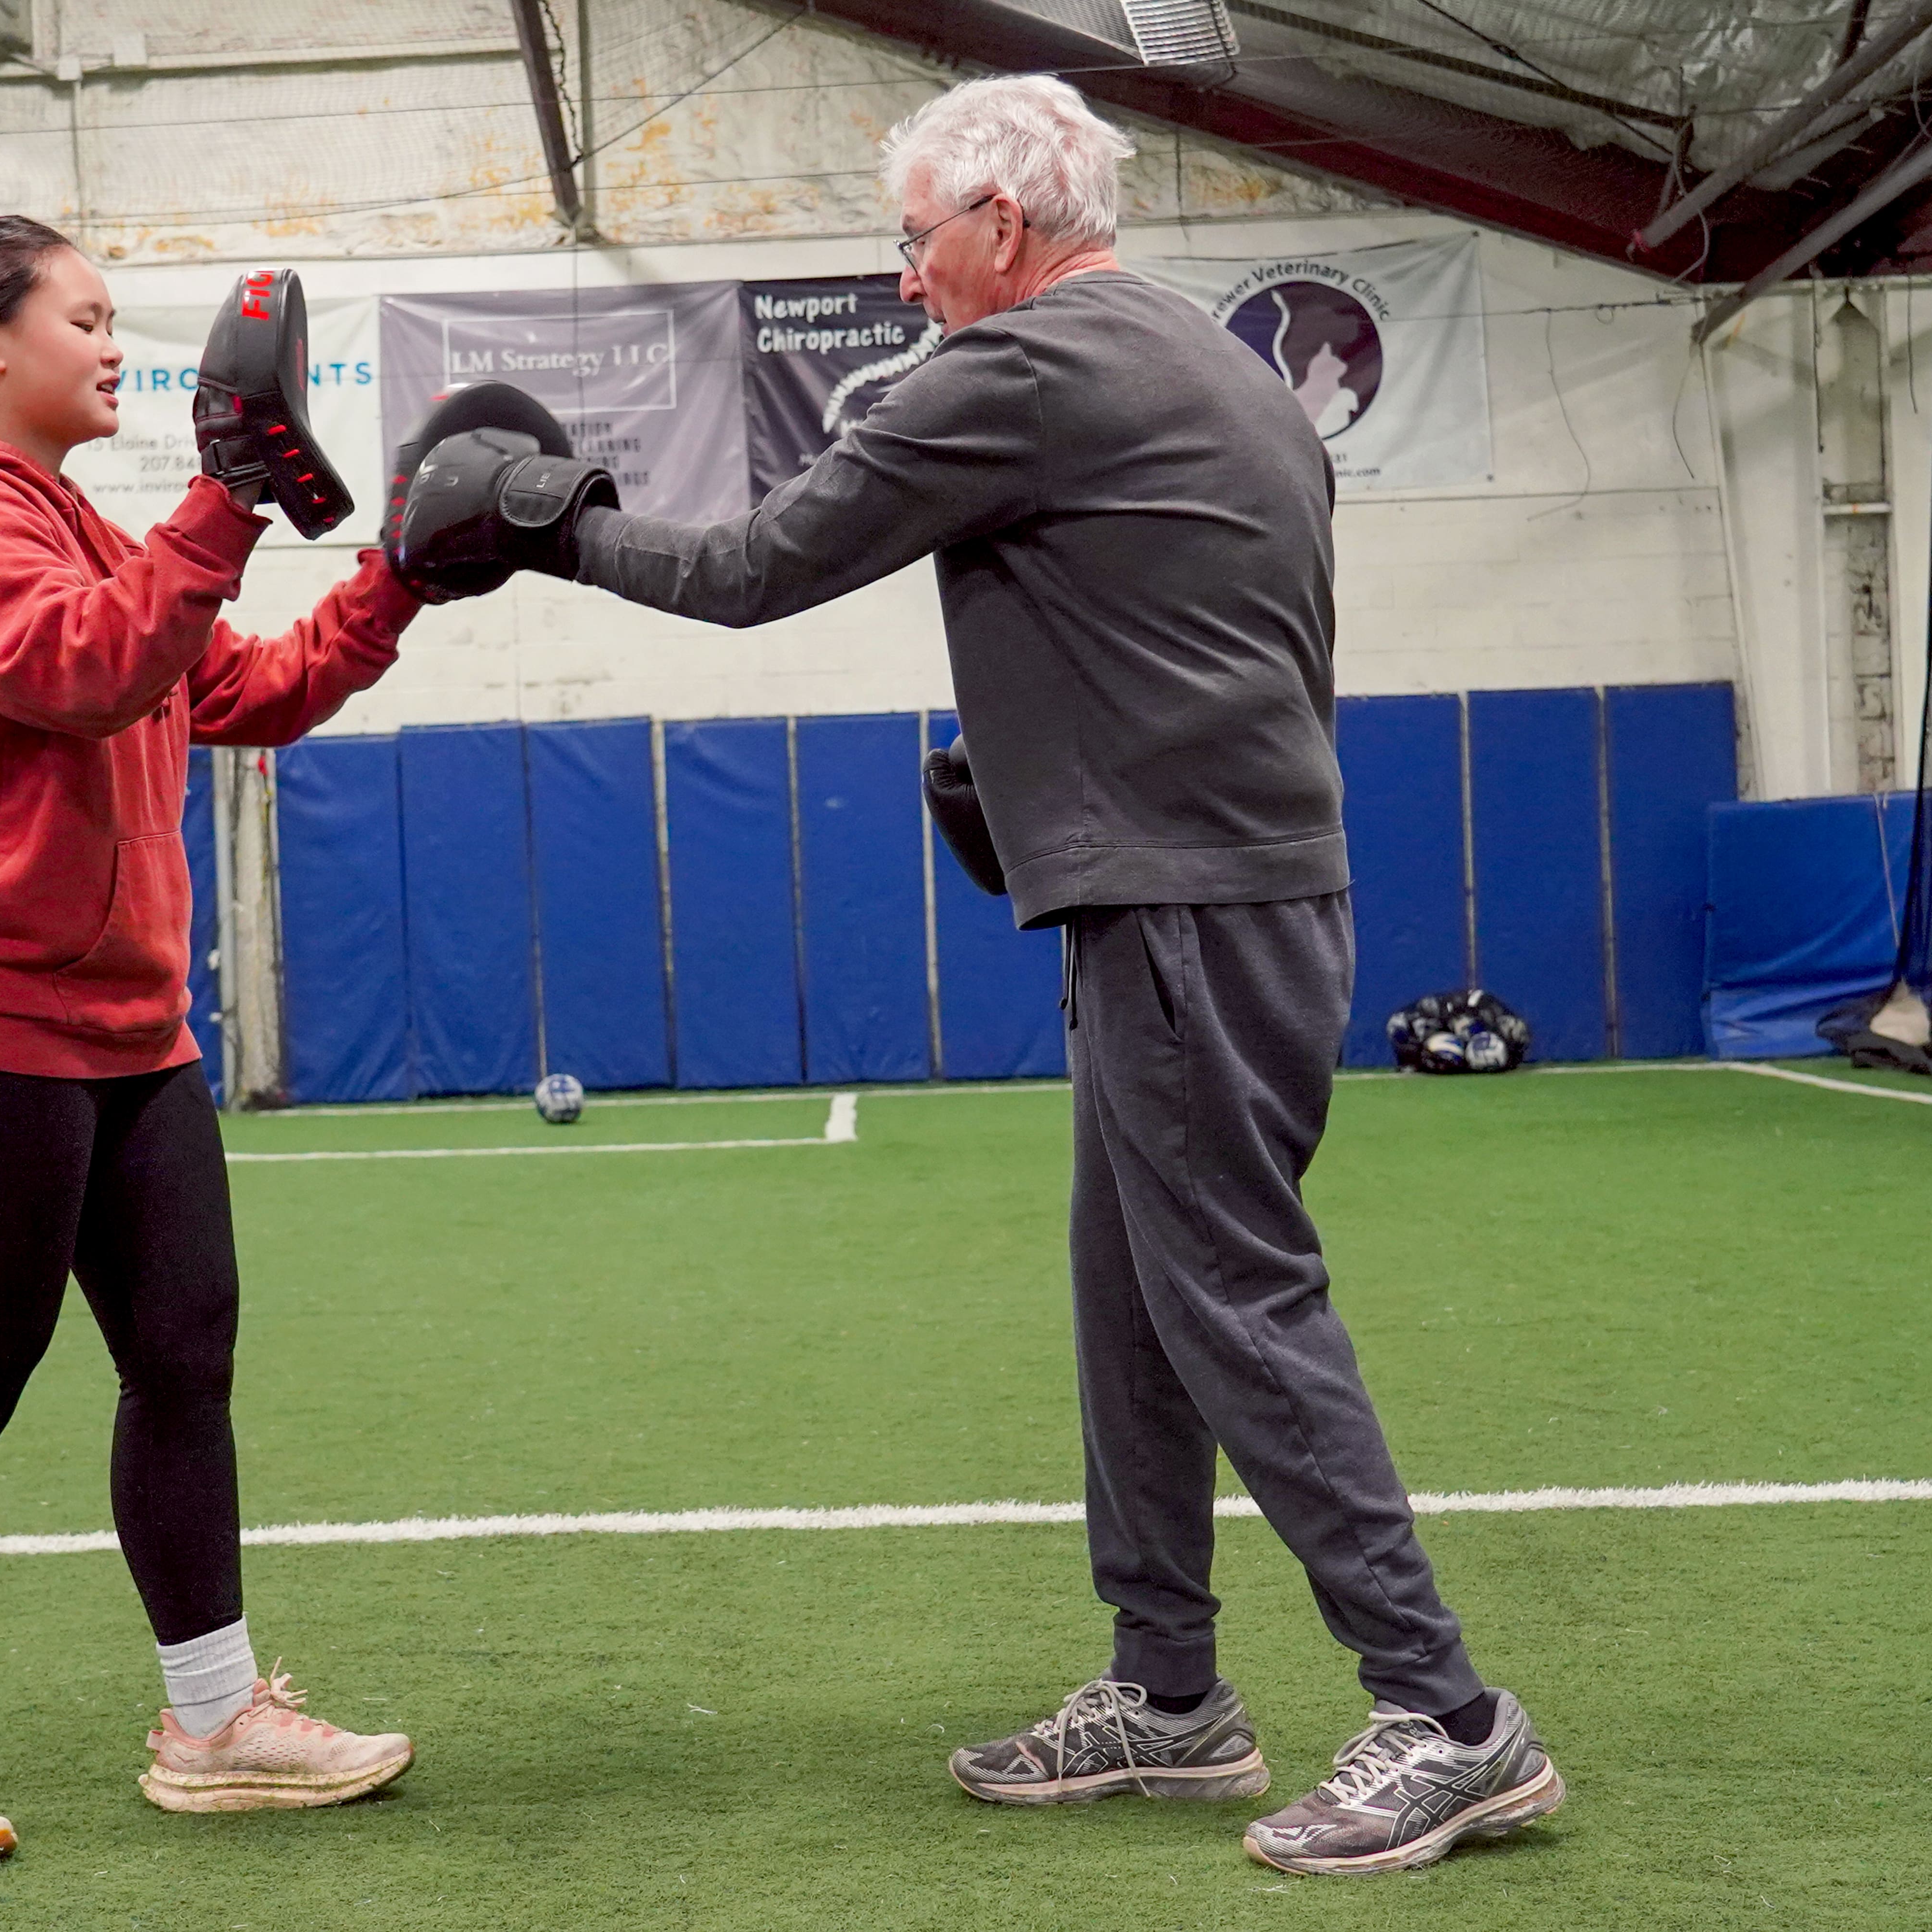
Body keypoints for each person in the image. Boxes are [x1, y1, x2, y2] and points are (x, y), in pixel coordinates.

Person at [390, 76, 1563, 1878]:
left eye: (918, 243)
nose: (909, 277)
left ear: (1000, 228)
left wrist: (543, 511)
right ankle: (1172, 1698)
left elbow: (755, 566)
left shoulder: (1025, 370)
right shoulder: (1219, 364)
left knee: (1236, 1301)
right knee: (1139, 1305)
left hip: (1186, 906)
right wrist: (1037, 777)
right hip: (1226, 887)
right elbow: (1249, 623)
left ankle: (1452, 1720)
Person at [0, 215, 420, 1873]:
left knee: (185, 1352)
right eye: (89, 315)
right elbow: (73, 670)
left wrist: (399, 577)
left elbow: (238, 685)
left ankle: (212, 1721)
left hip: (129, 1027)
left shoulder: (72, 521)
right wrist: (225, 500)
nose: (118, 340)